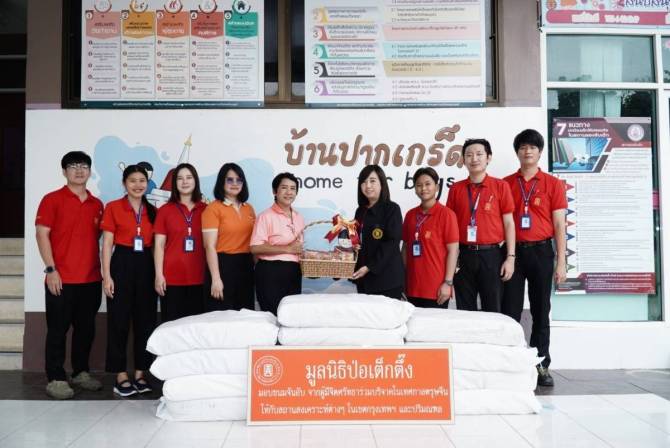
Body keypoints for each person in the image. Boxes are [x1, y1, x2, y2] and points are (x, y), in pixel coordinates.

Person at [35, 151, 104, 400]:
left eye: (84, 166)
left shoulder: (97, 204)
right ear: (64, 171)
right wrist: (51, 269)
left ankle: (80, 372)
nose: (79, 170)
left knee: (85, 330)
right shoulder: (51, 199)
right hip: (60, 278)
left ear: (89, 171)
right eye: (73, 166)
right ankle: (55, 378)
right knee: (57, 330)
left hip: (91, 279)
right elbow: (41, 234)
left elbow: (97, 238)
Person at [502, 129, 567, 387]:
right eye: (522, 147)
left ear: (540, 152)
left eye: (532, 147)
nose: (527, 151)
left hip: (542, 252)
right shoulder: (506, 183)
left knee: (541, 310)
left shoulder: (553, 184)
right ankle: (510, 363)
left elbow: (560, 225)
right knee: (510, 310)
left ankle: (541, 364)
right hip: (513, 253)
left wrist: (561, 262)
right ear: (517, 152)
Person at [101, 165, 157, 397]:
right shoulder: (113, 207)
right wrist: (107, 276)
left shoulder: (153, 211)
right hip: (121, 263)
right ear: (124, 183)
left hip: (146, 265)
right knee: (119, 322)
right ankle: (121, 375)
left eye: (142, 180)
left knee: (145, 321)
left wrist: (158, 274)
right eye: (132, 180)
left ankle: (141, 373)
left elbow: (156, 247)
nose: (138, 185)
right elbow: (107, 244)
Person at [446, 138, 515, 312]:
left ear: (488, 158)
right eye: (469, 155)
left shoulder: (501, 186)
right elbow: (450, 227)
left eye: (479, 154)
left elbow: (509, 223)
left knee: (493, 309)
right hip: (463, 256)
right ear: (463, 160)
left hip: (491, 255)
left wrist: (510, 258)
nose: (474, 159)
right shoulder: (456, 189)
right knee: (465, 309)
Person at [154, 163, 206, 322]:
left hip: (200, 278)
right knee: (172, 326)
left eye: (189, 177)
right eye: (180, 178)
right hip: (171, 279)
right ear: (174, 183)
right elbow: (159, 246)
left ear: (195, 181)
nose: (185, 182)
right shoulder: (165, 210)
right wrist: (159, 275)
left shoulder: (206, 210)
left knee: (196, 327)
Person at [402, 167, 459, 308]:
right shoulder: (410, 215)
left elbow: (453, 251)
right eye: (419, 185)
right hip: (412, 287)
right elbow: (405, 248)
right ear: (415, 189)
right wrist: (402, 278)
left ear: (437, 187)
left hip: (437, 289)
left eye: (428, 184)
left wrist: (448, 283)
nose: (423, 189)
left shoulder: (447, 215)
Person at [202, 163, 256, 311]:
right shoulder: (213, 208)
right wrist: (216, 278)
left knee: (245, 314)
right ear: (221, 182)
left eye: (239, 180)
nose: (235, 183)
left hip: (246, 266)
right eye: (230, 179)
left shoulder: (249, 208)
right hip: (222, 266)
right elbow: (209, 246)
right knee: (222, 316)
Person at [250, 172, 304, 315]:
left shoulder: (299, 217)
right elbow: (255, 248)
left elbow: (298, 248)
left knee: (291, 316)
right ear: (275, 191)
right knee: (272, 316)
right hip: (271, 272)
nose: (289, 192)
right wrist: (287, 249)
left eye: (293, 188)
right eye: (284, 188)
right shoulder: (265, 216)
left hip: (294, 272)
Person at [351, 165, 404, 299]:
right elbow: (357, 239)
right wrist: (353, 246)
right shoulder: (360, 211)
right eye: (364, 182)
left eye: (372, 181)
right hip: (363, 279)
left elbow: (391, 243)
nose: (368, 185)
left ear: (382, 183)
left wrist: (369, 267)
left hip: (387, 280)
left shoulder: (392, 209)